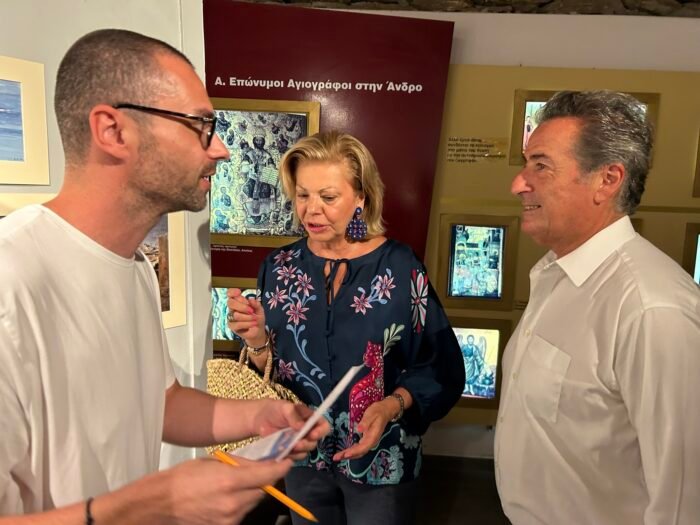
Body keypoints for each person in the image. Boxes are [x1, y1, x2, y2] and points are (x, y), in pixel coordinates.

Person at [0, 29, 328, 524]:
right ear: (113, 131)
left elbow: (161, 403)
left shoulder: (137, 270)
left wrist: (258, 415)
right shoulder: (11, 280)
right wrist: (155, 504)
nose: (221, 150)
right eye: (200, 125)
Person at [227, 131, 465, 525]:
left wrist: (391, 406)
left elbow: (440, 364)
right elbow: (273, 372)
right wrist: (255, 341)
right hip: (303, 457)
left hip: (382, 461)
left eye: (328, 197)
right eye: (303, 195)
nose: (312, 210)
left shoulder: (400, 267)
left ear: (361, 198)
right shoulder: (279, 268)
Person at [495, 90, 700, 524]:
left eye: (541, 166)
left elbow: (683, 501)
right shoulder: (555, 274)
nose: (518, 183)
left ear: (607, 180)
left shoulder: (651, 310)